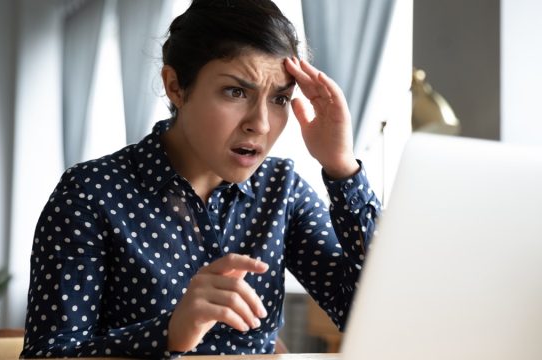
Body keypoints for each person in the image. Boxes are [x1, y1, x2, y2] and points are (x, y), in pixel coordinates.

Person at [21, 0, 381, 358]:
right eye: (236, 92)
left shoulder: (281, 189)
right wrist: (168, 334)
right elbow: (47, 355)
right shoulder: (90, 195)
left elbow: (369, 313)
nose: (261, 124)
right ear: (176, 86)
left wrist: (342, 167)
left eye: (280, 98)